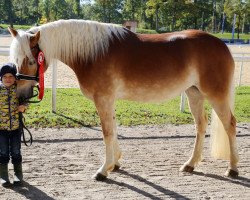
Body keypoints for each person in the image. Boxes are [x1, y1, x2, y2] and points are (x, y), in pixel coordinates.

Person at [0, 63, 26, 187]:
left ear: (15, 78)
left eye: (11, 76)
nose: (8, 79)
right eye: (5, 76)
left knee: (16, 152)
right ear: (1, 78)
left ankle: (18, 175)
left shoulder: (19, 89)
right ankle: (4, 176)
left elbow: (27, 101)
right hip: (1, 130)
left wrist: (24, 107)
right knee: (3, 152)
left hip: (16, 128)